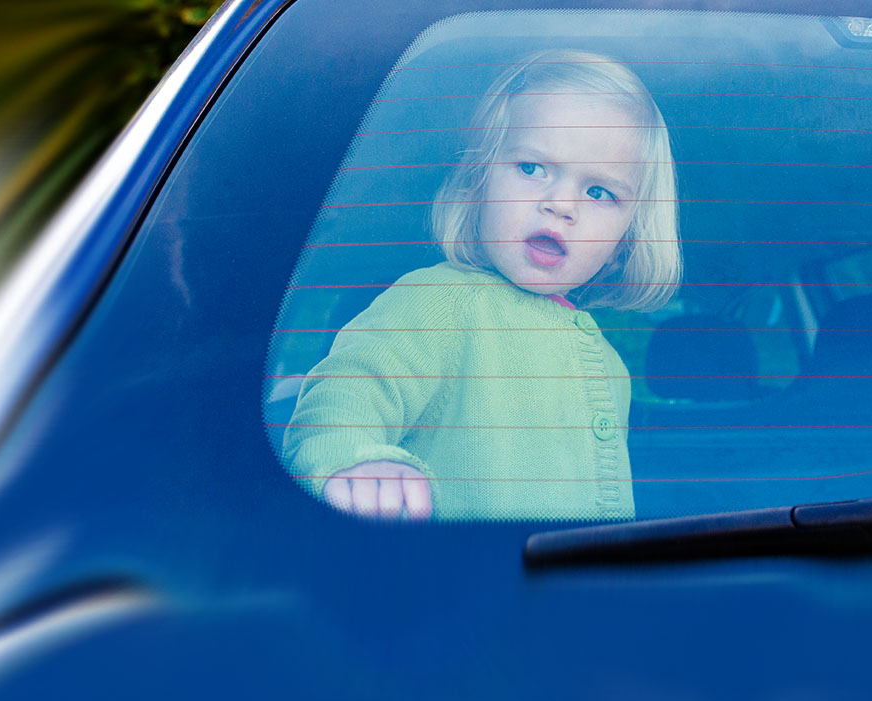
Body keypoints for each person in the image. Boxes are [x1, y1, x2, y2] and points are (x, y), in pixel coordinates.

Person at [284, 50, 681, 520]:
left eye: (599, 192)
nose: (560, 204)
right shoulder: (439, 302)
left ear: (623, 241)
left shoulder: (611, 369)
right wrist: (361, 463)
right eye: (532, 168)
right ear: (478, 184)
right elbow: (345, 394)